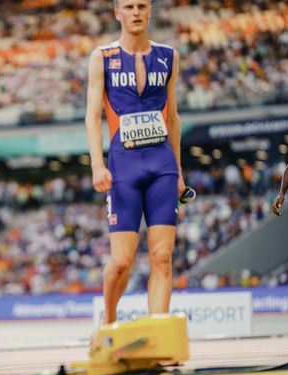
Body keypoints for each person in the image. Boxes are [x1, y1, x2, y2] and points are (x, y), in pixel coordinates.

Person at [85, 0, 186, 349]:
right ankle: (108, 322)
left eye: (142, 5)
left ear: (151, 10)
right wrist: (97, 164)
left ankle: (158, 338)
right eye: (128, 6)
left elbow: (172, 118)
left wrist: (179, 171)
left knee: (162, 257)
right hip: (122, 168)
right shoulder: (103, 57)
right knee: (121, 263)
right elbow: (91, 115)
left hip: (162, 167)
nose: (136, 11)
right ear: (117, 13)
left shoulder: (169, 56)